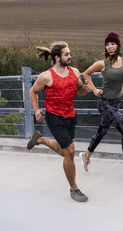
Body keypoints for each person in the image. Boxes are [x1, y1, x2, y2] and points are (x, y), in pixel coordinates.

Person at [27, 41, 90, 202]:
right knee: (70, 152)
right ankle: (74, 188)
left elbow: (79, 90)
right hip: (55, 117)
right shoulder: (46, 76)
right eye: (66, 54)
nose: (70, 56)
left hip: (70, 115)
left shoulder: (75, 72)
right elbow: (33, 91)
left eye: (69, 53)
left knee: (65, 151)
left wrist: (86, 90)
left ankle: (39, 139)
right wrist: (36, 110)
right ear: (57, 57)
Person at [79, 32, 123, 176]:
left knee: (101, 132)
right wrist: (94, 90)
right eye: (107, 44)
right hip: (104, 103)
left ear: (118, 45)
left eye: (113, 43)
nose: (110, 47)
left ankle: (86, 156)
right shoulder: (102, 63)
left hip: (116, 104)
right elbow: (86, 74)